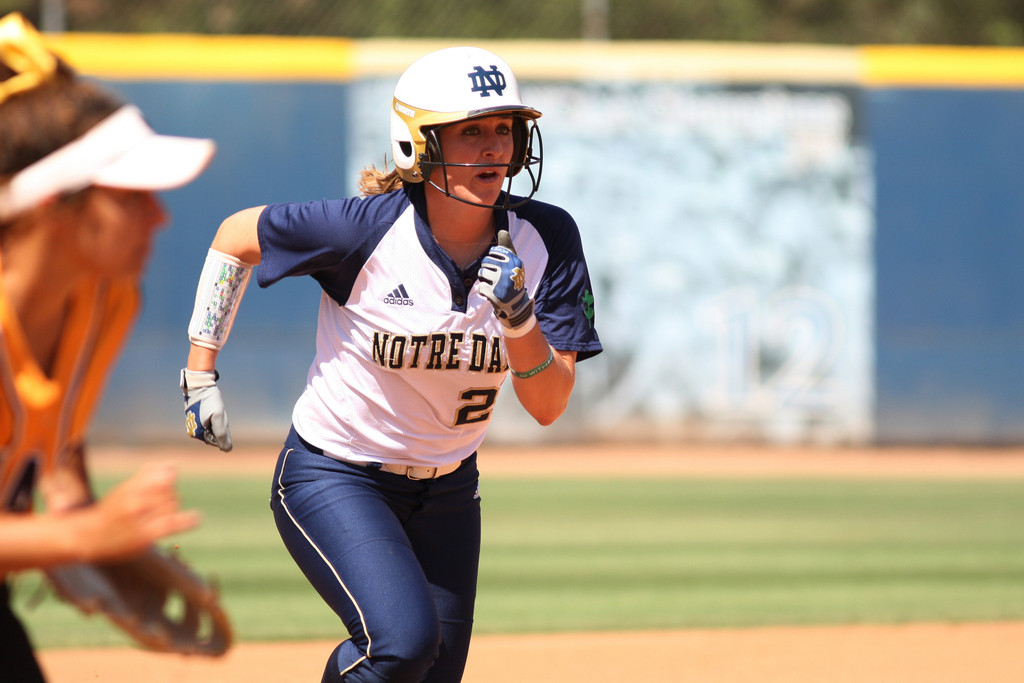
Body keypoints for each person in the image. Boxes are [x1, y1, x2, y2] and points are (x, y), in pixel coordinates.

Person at [180, 45, 601, 682]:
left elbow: (548, 404)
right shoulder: (363, 232)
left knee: (429, 673)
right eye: (471, 131)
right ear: (418, 146)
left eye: (504, 129)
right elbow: (237, 235)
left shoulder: (549, 239)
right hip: (335, 474)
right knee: (400, 645)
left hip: (451, 490)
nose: (494, 147)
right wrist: (199, 370)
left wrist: (520, 321)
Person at [0, 12, 216, 681]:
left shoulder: (102, 300)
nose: (159, 215)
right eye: (130, 193)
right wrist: (79, 538)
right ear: (50, 205)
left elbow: (54, 452)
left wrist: (83, 537)